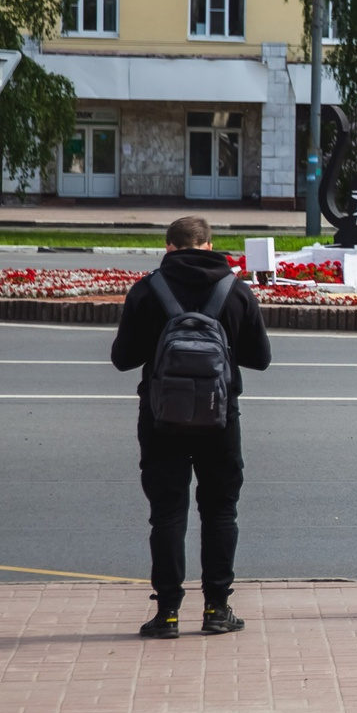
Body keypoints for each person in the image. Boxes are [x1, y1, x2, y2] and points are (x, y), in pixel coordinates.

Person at [110, 214, 272, 639]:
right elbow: (261, 358)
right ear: (208, 245)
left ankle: (166, 614)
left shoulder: (148, 290)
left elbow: (122, 358)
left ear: (169, 248)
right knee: (220, 511)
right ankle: (218, 609)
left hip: (161, 418)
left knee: (167, 513)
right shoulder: (234, 289)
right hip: (220, 418)